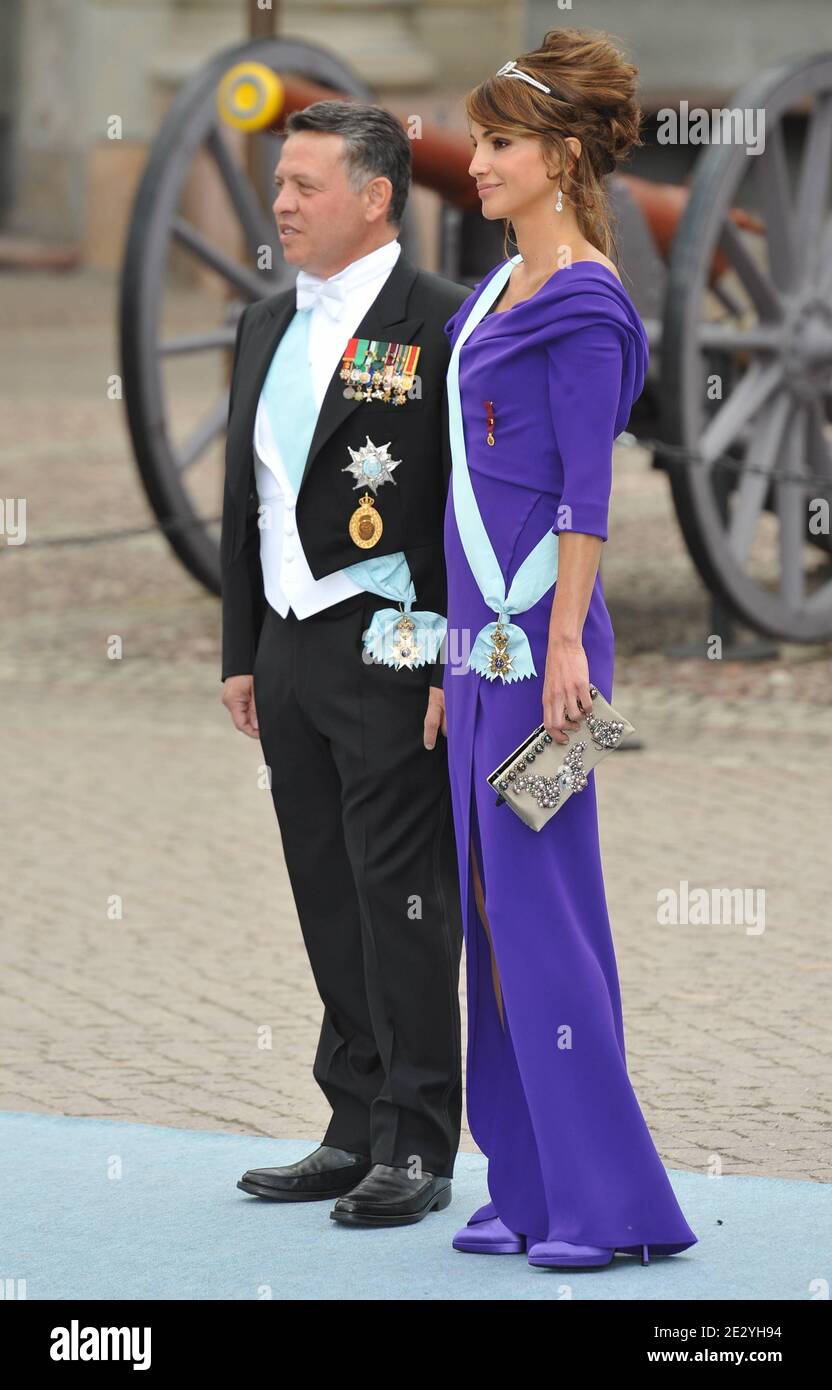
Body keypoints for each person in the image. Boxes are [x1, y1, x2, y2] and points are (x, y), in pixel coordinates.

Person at [441, 29, 698, 1269]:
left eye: (495, 143)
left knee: (544, 918)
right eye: (480, 140)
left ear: (556, 156)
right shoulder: (498, 290)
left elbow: (584, 493)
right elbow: (467, 483)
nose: (475, 162)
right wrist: (447, 657)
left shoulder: (588, 297)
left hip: (552, 657)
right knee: (490, 917)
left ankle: (613, 1207)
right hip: (472, 655)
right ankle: (531, 1185)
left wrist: (561, 652)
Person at [220, 102, 469, 1226]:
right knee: (325, 885)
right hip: (286, 649)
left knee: (401, 895)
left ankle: (416, 1140)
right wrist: (242, 654)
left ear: (376, 198)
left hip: (391, 642)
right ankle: (349, 1118)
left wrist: (443, 668)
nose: (282, 203)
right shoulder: (263, 325)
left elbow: (462, 517)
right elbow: (247, 503)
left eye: (305, 184)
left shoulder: (442, 325)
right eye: (280, 183)